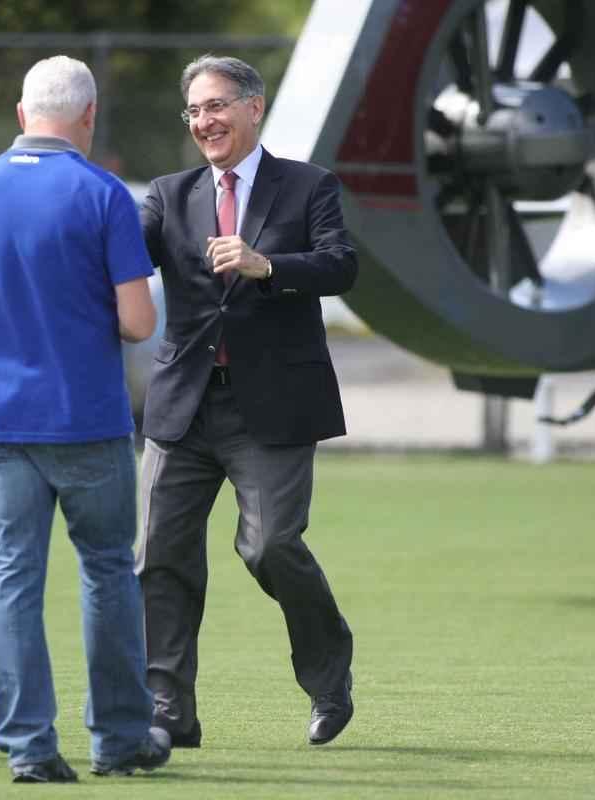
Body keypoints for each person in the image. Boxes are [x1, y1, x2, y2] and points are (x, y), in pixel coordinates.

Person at [0, 55, 171, 783]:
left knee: (11, 576)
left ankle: (30, 748)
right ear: (89, 116)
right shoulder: (103, 193)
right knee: (107, 572)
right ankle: (119, 738)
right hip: (87, 419)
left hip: (2, 423)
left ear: (21, 115)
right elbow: (138, 322)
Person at [136, 54, 358, 747]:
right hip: (183, 407)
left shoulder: (308, 186)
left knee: (269, 547)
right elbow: (120, 260)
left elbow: (341, 264)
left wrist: (268, 267)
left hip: (273, 407)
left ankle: (329, 680)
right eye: (195, 110)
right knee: (156, 555)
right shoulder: (168, 195)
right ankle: (170, 710)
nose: (205, 121)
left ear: (253, 108)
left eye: (217, 106)